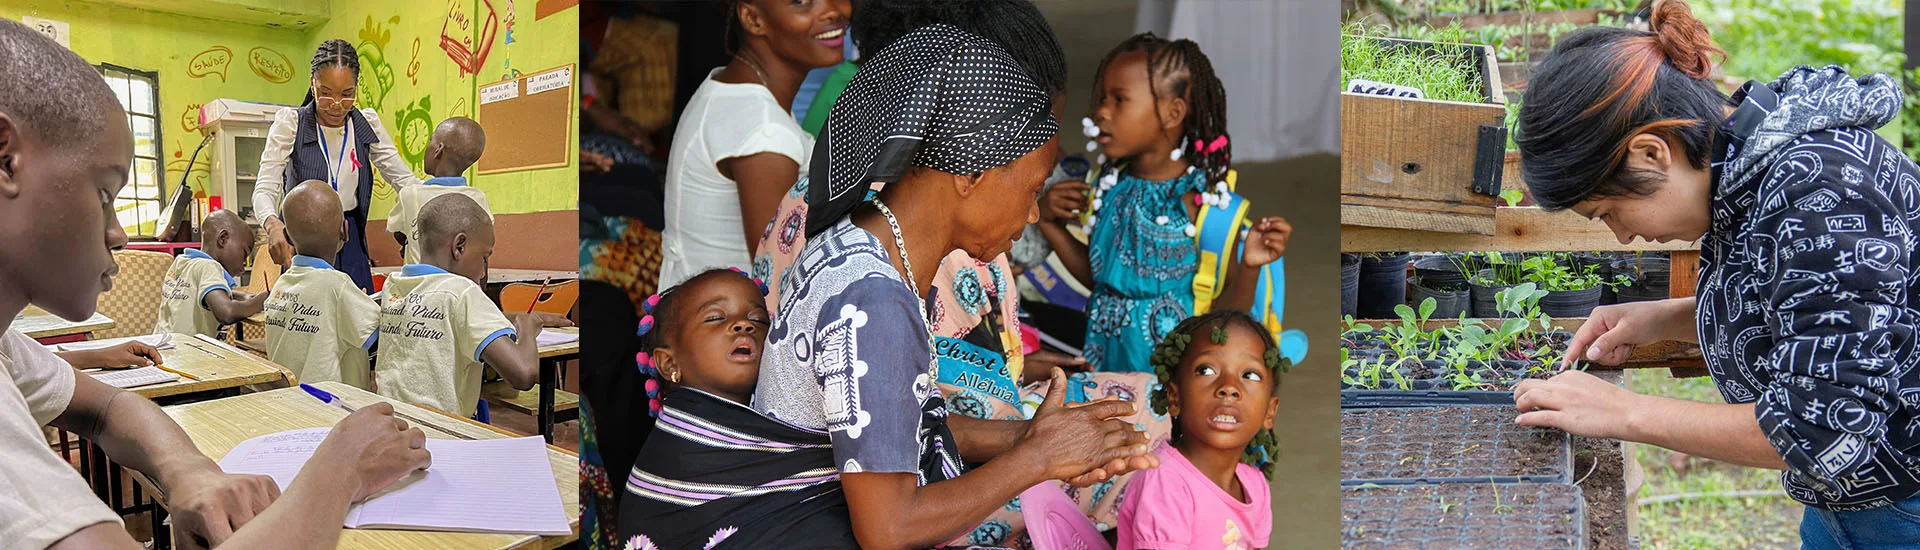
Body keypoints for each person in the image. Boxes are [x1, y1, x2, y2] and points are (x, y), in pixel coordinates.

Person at [0, 19, 428, 549]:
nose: (119, 234)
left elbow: (108, 407)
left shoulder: (8, 350)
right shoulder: (292, 131)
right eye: (105, 194)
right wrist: (341, 470)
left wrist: (189, 469)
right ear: (6, 159)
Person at [1508, 1, 1920, 545]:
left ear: (1651, 153)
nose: (1622, 237)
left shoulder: (1819, 191)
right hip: (1854, 501)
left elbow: (1821, 428)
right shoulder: (1754, 166)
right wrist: (1665, 318)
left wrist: (1625, 412)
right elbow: (1814, 311)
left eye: (1608, 212)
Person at [754, 25, 1157, 549]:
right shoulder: (875, 300)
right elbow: (888, 530)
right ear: (971, 176)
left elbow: (891, 427)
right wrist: (1037, 457)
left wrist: (1030, 435)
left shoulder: (861, 242)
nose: (1034, 213)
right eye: (1032, 189)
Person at [1039, 33, 1292, 374]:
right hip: (1106, 373)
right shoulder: (1109, 187)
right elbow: (1103, 279)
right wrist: (1047, 222)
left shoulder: (1206, 205)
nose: (1101, 112)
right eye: (1101, 99)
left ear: (1173, 113)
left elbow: (1226, 316)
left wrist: (1250, 266)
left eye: (1119, 99)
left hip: (1173, 384)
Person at [617, 268, 861, 548]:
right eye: (715, 317)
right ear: (669, 363)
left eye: (758, 319)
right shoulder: (675, 459)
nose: (743, 325)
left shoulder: (782, 432)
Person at [657, 0, 849, 288]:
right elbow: (777, 281)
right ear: (752, 19)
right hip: (732, 312)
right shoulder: (765, 131)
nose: (833, 10)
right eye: (801, 2)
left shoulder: (734, 86)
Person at [256, 39, 424, 292]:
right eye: (325, 93)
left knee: (358, 308)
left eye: (346, 95)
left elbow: (405, 182)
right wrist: (272, 224)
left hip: (350, 237)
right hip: (304, 240)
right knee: (309, 309)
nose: (336, 104)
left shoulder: (365, 125)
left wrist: (435, 205)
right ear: (312, 84)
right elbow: (264, 187)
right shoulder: (292, 124)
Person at [375, 194, 553, 419]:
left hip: (390, 422)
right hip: (440, 431)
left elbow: (443, 316)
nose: (484, 272)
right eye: (484, 257)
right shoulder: (463, 291)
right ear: (459, 247)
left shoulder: (394, 285)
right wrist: (526, 327)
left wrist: (509, 316)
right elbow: (524, 374)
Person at [1117, 311, 1280, 550]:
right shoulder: (1166, 483)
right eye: (1206, 371)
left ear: (1269, 412)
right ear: (1174, 398)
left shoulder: (1255, 485)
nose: (1229, 387)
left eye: (1250, 375)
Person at [263, 180, 381, 390]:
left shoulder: (281, 284)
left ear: (287, 236)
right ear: (344, 230)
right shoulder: (336, 285)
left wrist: (355, 302)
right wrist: (363, 303)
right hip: (334, 404)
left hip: (290, 399)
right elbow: (379, 334)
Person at [389, 117, 491, 266]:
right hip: (462, 280)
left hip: (421, 280)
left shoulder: (410, 195)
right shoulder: (479, 198)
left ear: (438, 149)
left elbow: (399, 233)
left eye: (430, 140)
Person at [154, 209, 266, 337]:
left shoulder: (182, 261)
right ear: (223, 239)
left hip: (162, 343)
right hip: (186, 348)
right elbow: (227, 312)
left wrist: (241, 296)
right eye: (244, 254)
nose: (242, 268)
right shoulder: (210, 267)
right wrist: (258, 302)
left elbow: (192, 290)